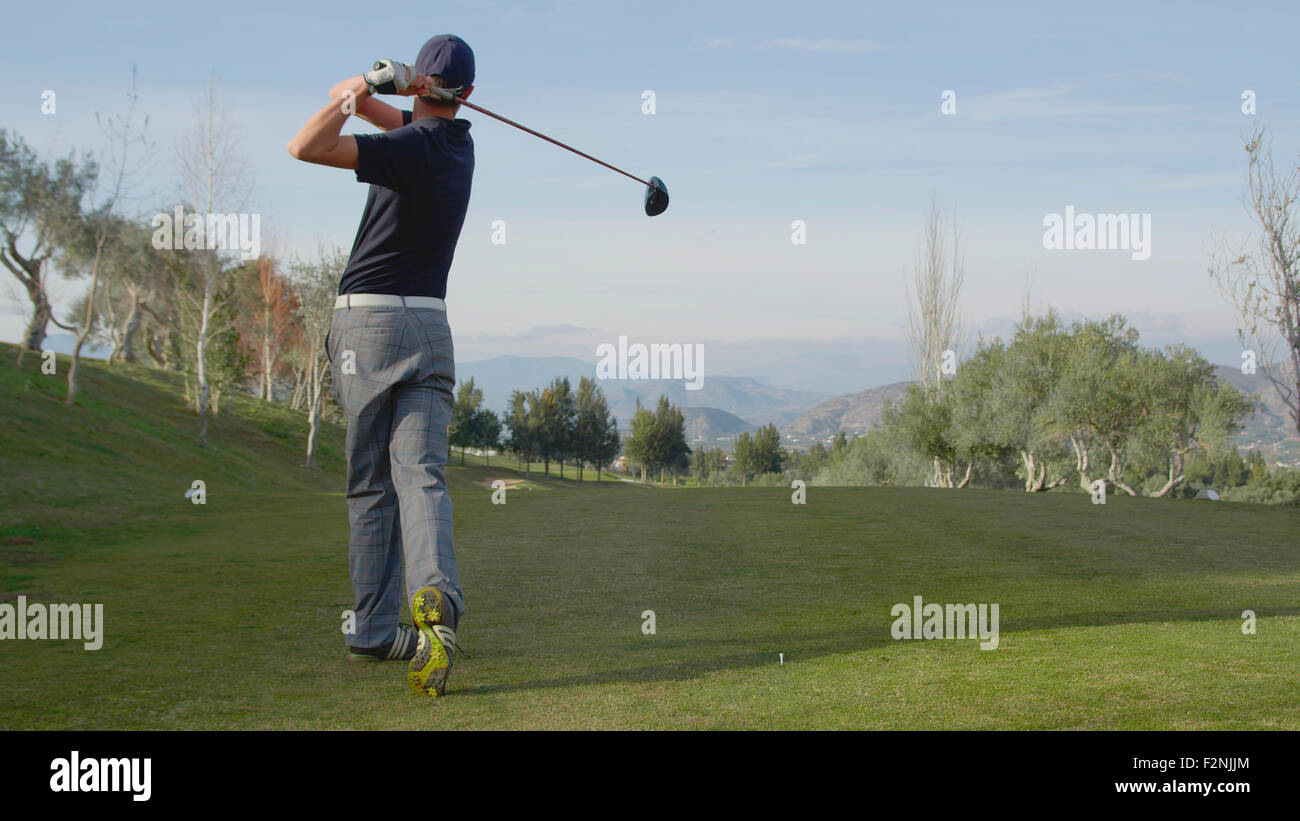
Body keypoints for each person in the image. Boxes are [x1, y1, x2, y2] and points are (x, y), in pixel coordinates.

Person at [286, 34, 475, 697]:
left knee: (370, 484)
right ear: (467, 96)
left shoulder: (407, 145)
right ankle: (435, 609)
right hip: (430, 322)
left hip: (366, 323)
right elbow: (404, 123)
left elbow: (304, 146)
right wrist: (390, 90)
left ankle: (371, 627)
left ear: (421, 83)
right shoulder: (458, 146)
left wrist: (362, 88)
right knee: (420, 474)